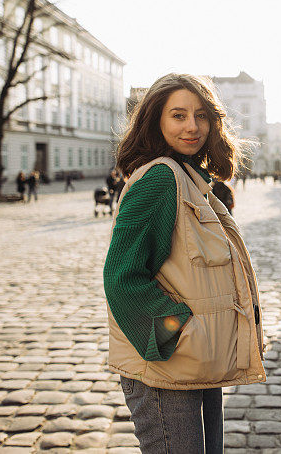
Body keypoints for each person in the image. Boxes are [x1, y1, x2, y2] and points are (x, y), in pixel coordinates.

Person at [103, 74, 265, 454]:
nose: (192, 126)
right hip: (168, 369)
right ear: (156, 120)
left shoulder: (189, 175)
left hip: (196, 364)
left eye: (201, 115)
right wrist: (176, 332)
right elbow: (121, 276)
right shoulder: (161, 178)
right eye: (178, 115)